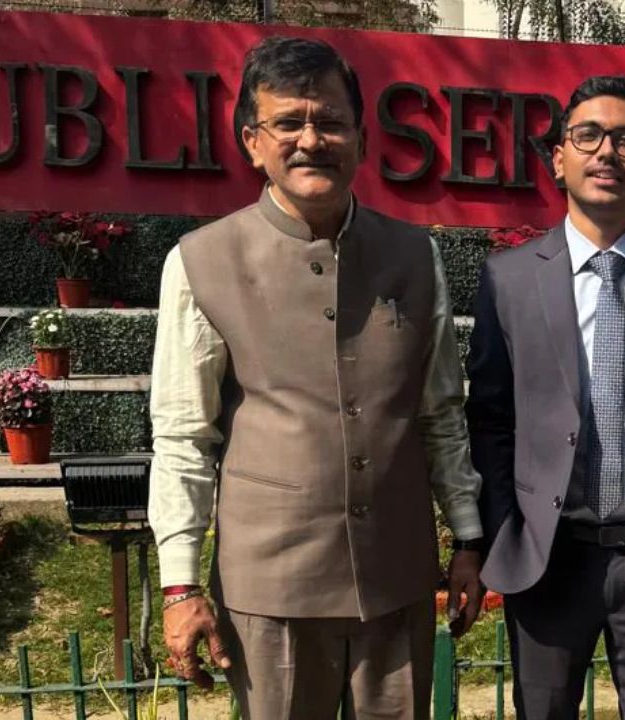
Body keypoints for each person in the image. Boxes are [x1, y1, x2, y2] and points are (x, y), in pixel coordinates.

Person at [148, 36, 484, 718]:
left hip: (397, 579)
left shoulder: (415, 257)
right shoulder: (201, 262)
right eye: (288, 123)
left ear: (361, 137)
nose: (312, 139)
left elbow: (441, 413)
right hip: (270, 590)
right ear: (251, 141)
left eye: (330, 121)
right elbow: (183, 436)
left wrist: (468, 538)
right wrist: (181, 587)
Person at [465, 75, 625, 720]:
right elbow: (491, 418)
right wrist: (503, 531)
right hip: (550, 554)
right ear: (559, 157)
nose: (606, 152)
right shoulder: (510, 278)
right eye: (588, 136)